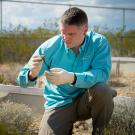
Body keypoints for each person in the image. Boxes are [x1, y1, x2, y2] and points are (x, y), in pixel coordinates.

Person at [17, 7, 117, 135]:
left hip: (86, 99)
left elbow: (102, 74)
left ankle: (99, 132)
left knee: (103, 90)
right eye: (63, 33)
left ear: (85, 29)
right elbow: (22, 82)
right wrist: (32, 73)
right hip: (60, 102)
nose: (65, 38)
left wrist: (71, 77)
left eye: (71, 34)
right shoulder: (49, 47)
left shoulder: (98, 42)